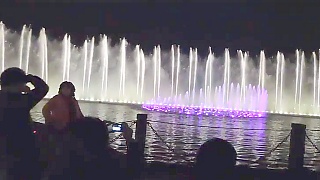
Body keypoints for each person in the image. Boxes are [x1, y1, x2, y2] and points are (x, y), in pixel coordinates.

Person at [0, 67, 49, 180]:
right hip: (22, 149)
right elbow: (43, 88)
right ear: (18, 83)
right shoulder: (22, 100)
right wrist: (29, 78)